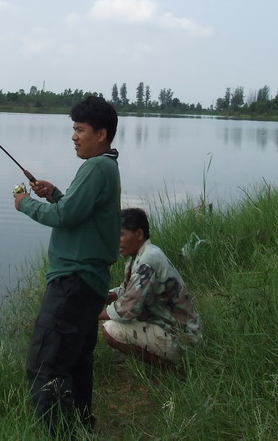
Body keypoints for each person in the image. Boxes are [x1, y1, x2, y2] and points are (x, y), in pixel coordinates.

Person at [13, 95, 121, 433]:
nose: (74, 136)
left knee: (44, 366)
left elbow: (64, 217)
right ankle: (82, 428)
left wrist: (25, 205)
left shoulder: (95, 166)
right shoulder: (106, 166)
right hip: (87, 282)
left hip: (72, 283)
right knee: (74, 362)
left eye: (80, 130)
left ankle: (59, 434)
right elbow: (76, 212)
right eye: (73, 129)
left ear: (100, 134)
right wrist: (55, 193)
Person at [99, 207, 201, 366]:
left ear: (139, 234)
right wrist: (98, 296)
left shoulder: (147, 261)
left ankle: (174, 370)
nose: (116, 240)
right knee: (114, 323)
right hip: (176, 328)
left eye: (121, 235)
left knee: (111, 330)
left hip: (182, 338)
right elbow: (126, 292)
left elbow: (128, 308)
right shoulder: (141, 256)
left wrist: (92, 313)